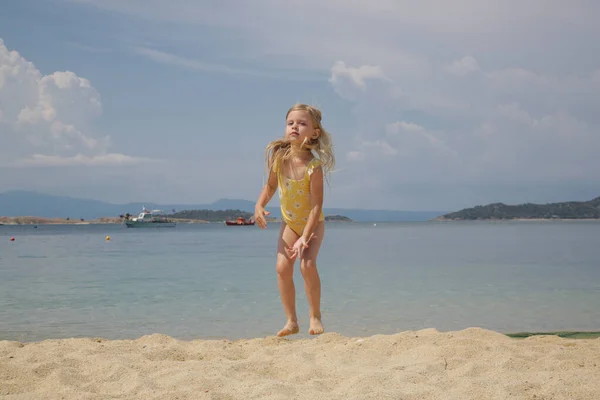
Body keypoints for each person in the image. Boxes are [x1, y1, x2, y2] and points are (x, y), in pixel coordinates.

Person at [254, 103, 335, 337]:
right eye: (291, 123)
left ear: (314, 133)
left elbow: (316, 206)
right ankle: (291, 321)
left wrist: (305, 238)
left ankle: (315, 316)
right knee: (282, 267)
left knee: (306, 265)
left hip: (313, 224)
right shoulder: (279, 158)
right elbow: (270, 186)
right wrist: (259, 205)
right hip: (290, 223)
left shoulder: (314, 167)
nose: (295, 127)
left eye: (302, 123)